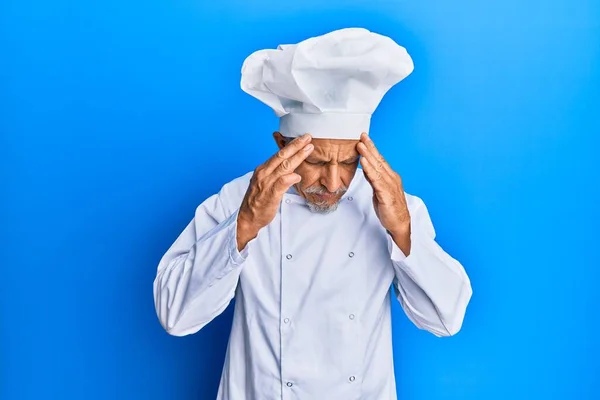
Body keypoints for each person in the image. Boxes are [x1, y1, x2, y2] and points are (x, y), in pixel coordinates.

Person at [153, 28, 472, 400]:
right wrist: (244, 226)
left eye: (349, 162)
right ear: (282, 146)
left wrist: (403, 230)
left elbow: (446, 320)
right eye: (317, 161)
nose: (334, 181)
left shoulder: (395, 207)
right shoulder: (240, 199)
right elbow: (175, 316)